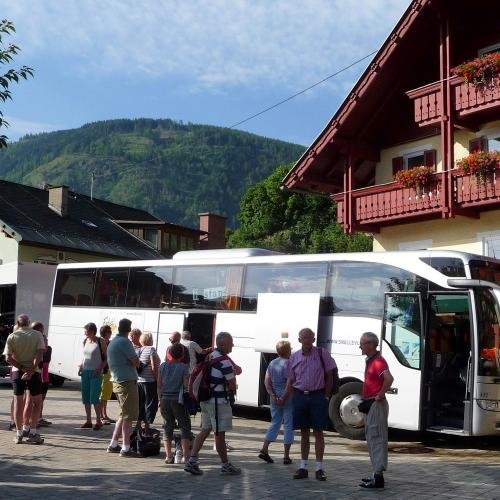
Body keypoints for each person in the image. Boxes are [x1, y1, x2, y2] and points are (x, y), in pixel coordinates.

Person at [184, 332, 241, 476]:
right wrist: (232, 381)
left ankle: (192, 461)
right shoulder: (225, 362)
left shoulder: (211, 356)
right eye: (230, 342)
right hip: (218, 403)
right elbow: (233, 386)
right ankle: (225, 465)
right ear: (223, 344)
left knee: (205, 430)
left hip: (206, 400)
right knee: (219, 434)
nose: (233, 344)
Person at [284, 327, 336, 481]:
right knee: (304, 433)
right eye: (304, 337)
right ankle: (303, 467)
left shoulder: (322, 353)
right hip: (300, 397)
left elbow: (329, 375)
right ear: (299, 340)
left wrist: (326, 396)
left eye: (310, 337)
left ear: (314, 339)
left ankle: (319, 468)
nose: (307, 340)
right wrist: (291, 397)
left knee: (319, 432)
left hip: (317, 397)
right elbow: (291, 380)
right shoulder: (293, 357)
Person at [358, 331, 394, 489]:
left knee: (377, 438)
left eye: (363, 343)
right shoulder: (371, 360)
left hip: (376, 404)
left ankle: (378, 477)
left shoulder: (378, 361)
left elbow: (389, 378)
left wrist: (380, 394)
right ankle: (376, 474)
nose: (360, 346)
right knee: (372, 439)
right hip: (371, 403)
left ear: (372, 344)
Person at [3, 314, 46, 444]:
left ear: (18, 323)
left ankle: (19, 434)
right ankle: (33, 432)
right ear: (29, 322)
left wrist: (22, 368)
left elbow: (8, 358)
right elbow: (40, 353)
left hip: (17, 372)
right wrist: (31, 370)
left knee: (18, 403)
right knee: (37, 402)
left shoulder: (12, 336)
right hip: (35, 373)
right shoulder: (37, 335)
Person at [106, 318, 140, 457]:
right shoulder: (125, 342)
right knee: (128, 416)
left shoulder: (113, 341)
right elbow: (136, 362)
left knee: (122, 414)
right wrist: (132, 361)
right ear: (129, 329)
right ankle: (126, 448)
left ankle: (113, 444)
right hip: (126, 381)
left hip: (117, 380)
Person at [259, 340, 293, 465]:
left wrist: (273, 395)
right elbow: (290, 383)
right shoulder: (289, 364)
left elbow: (267, 381)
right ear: (288, 350)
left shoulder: (272, 363)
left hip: (274, 397)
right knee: (289, 424)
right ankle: (286, 456)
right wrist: (283, 397)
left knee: (275, 422)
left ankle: (264, 449)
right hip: (288, 397)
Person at [158, 342, 191, 464]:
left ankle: (168, 456)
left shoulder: (162, 366)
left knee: (167, 426)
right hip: (178, 400)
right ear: (182, 355)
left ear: (169, 353)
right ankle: (186, 456)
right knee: (184, 426)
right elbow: (186, 385)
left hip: (165, 399)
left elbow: (159, 385)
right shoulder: (183, 367)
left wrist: (159, 399)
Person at [79, 322, 106, 430]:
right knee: (86, 397)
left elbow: (106, 358)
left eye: (86, 330)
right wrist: (81, 365)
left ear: (92, 331)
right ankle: (88, 420)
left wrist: (99, 368)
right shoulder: (85, 341)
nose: (85, 332)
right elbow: (84, 356)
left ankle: (98, 421)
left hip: (96, 372)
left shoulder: (100, 341)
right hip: (85, 371)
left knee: (94, 397)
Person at [137, 331, 160, 430]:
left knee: (141, 403)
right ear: (150, 340)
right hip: (150, 381)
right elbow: (154, 366)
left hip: (139, 381)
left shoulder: (139, 350)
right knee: (150, 403)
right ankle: (146, 425)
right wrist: (157, 379)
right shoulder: (151, 349)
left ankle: (138, 425)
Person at [32, 322, 52, 427]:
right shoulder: (34, 347)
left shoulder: (48, 350)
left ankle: (39, 417)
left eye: (46, 340)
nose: (46, 342)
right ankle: (33, 420)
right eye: (45, 340)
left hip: (45, 377)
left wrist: (45, 350)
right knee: (33, 400)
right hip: (37, 376)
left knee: (41, 399)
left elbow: (46, 362)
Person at [99, 325, 115, 424]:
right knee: (102, 394)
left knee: (106, 394)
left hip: (109, 370)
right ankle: (101, 416)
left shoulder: (109, 342)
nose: (111, 333)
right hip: (103, 371)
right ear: (106, 333)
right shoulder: (101, 342)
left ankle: (104, 414)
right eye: (109, 332)